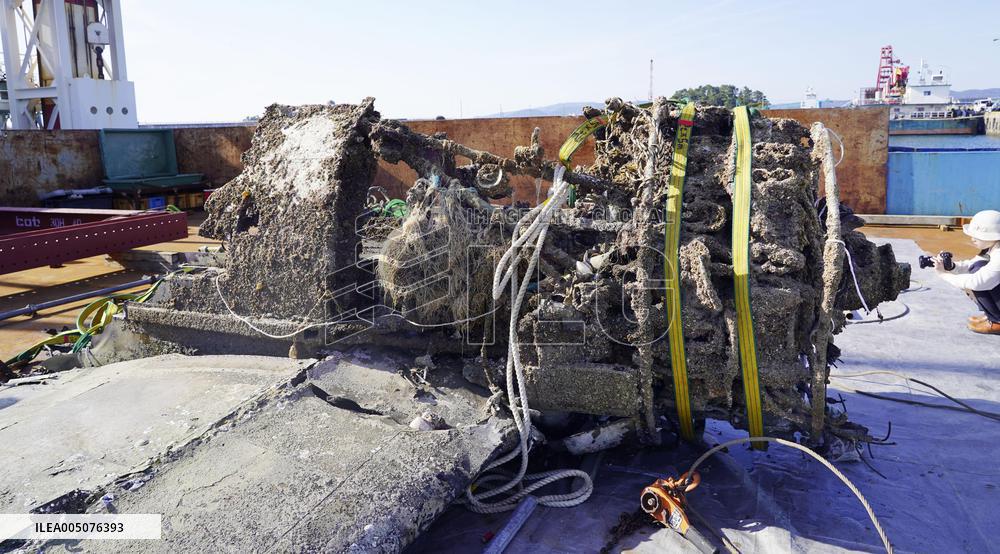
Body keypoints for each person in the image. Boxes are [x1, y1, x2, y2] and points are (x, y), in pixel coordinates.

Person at [934, 210, 1000, 334]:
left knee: (976, 279)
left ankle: (997, 321)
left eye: (976, 235)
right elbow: (971, 265)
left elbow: (977, 282)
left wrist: (943, 275)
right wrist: (951, 266)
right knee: (977, 267)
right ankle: (992, 315)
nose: (972, 239)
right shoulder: (993, 247)